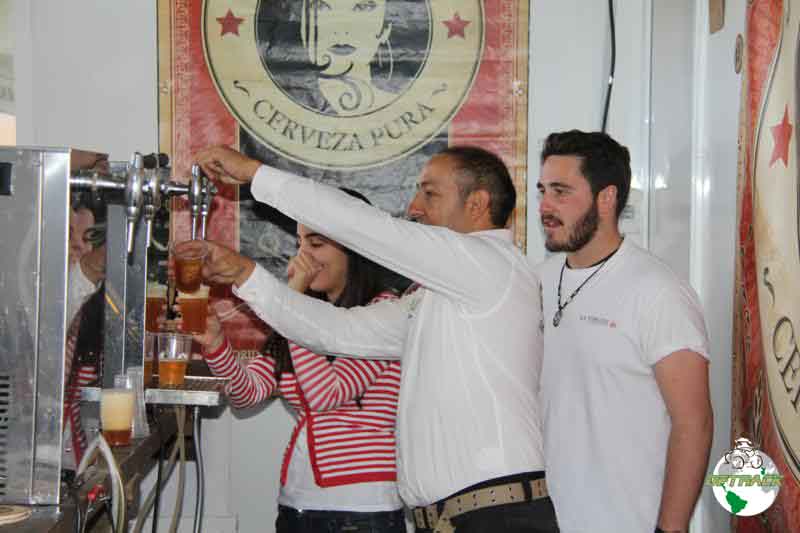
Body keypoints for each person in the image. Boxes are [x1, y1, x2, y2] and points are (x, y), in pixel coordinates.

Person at [194, 145, 558, 532]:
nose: (414, 207)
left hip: (497, 515)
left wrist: (255, 173)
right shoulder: (440, 295)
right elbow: (336, 331)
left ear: (477, 204)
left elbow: (367, 228)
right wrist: (245, 275)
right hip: (455, 518)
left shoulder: (488, 264)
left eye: (430, 193)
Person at [189, 189, 407, 533]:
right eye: (300, 244)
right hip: (297, 503)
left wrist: (292, 305)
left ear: (355, 248)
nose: (304, 255)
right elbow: (247, 395)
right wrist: (216, 345)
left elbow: (326, 394)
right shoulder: (302, 315)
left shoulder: (383, 312)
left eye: (316, 244)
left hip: (363, 508)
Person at [534, 130, 713, 533]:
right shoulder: (538, 281)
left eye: (561, 191)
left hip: (628, 520)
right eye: (543, 191)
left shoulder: (658, 292)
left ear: (607, 198)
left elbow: (694, 423)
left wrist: (671, 529)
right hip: (547, 518)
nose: (545, 206)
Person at [258, 0, 428, 115]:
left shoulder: (403, 109)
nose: (341, 28)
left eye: (363, 7)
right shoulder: (275, 103)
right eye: (322, 6)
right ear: (301, 22)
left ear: (386, 27)